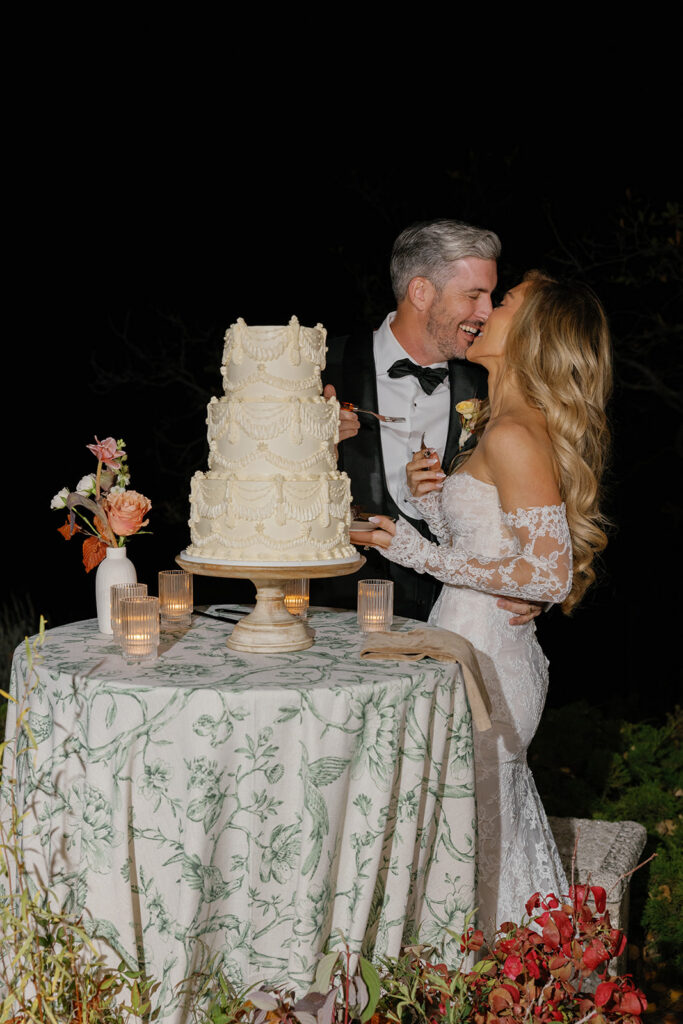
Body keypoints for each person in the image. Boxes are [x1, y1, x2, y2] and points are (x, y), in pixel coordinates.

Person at [356, 270, 612, 934]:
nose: (483, 311)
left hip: (490, 670)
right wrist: (430, 507)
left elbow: (546, 576)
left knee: (467, 839)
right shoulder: (503, 424)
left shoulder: (512, 434)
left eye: (501, 304)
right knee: (459, 839)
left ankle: (495, 974)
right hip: (468, 647)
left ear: (529, 333)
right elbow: (497, 554)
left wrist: (412, 552)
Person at [316, 218, 540, 627]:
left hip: (458, 624)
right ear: (421, 292)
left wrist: (532, 588)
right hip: (335, 620)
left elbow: (531, 509)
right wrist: (310, 450)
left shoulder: (495, 385)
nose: (487, 312)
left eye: (491, 296)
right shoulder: (321, 365)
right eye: (474, 295)